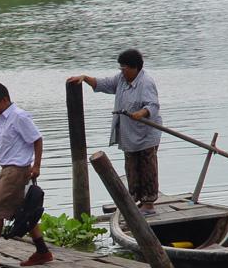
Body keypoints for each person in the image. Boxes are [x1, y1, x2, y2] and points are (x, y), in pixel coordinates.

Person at [67, 49, 162, 215]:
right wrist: (84, 78)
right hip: (129, 135)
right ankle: (135, 200)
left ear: (135, 68)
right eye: (121, 69)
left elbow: (153, 105)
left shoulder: (146, 82)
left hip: (146, 134)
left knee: (147, 168)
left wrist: (140, 113)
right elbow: (103, 84)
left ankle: (148, 204)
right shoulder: (121, 80)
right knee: (131, 167)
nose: (122, 72)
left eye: (125, 69)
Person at [0, 83, 53, 268]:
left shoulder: (19, 116)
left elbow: (37, 139)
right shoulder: (0, 120)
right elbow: (2, 143)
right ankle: (42, 251)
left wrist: (36, 165)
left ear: (5, 100)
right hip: (6, 170)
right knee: (23, 212)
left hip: (17, 171)